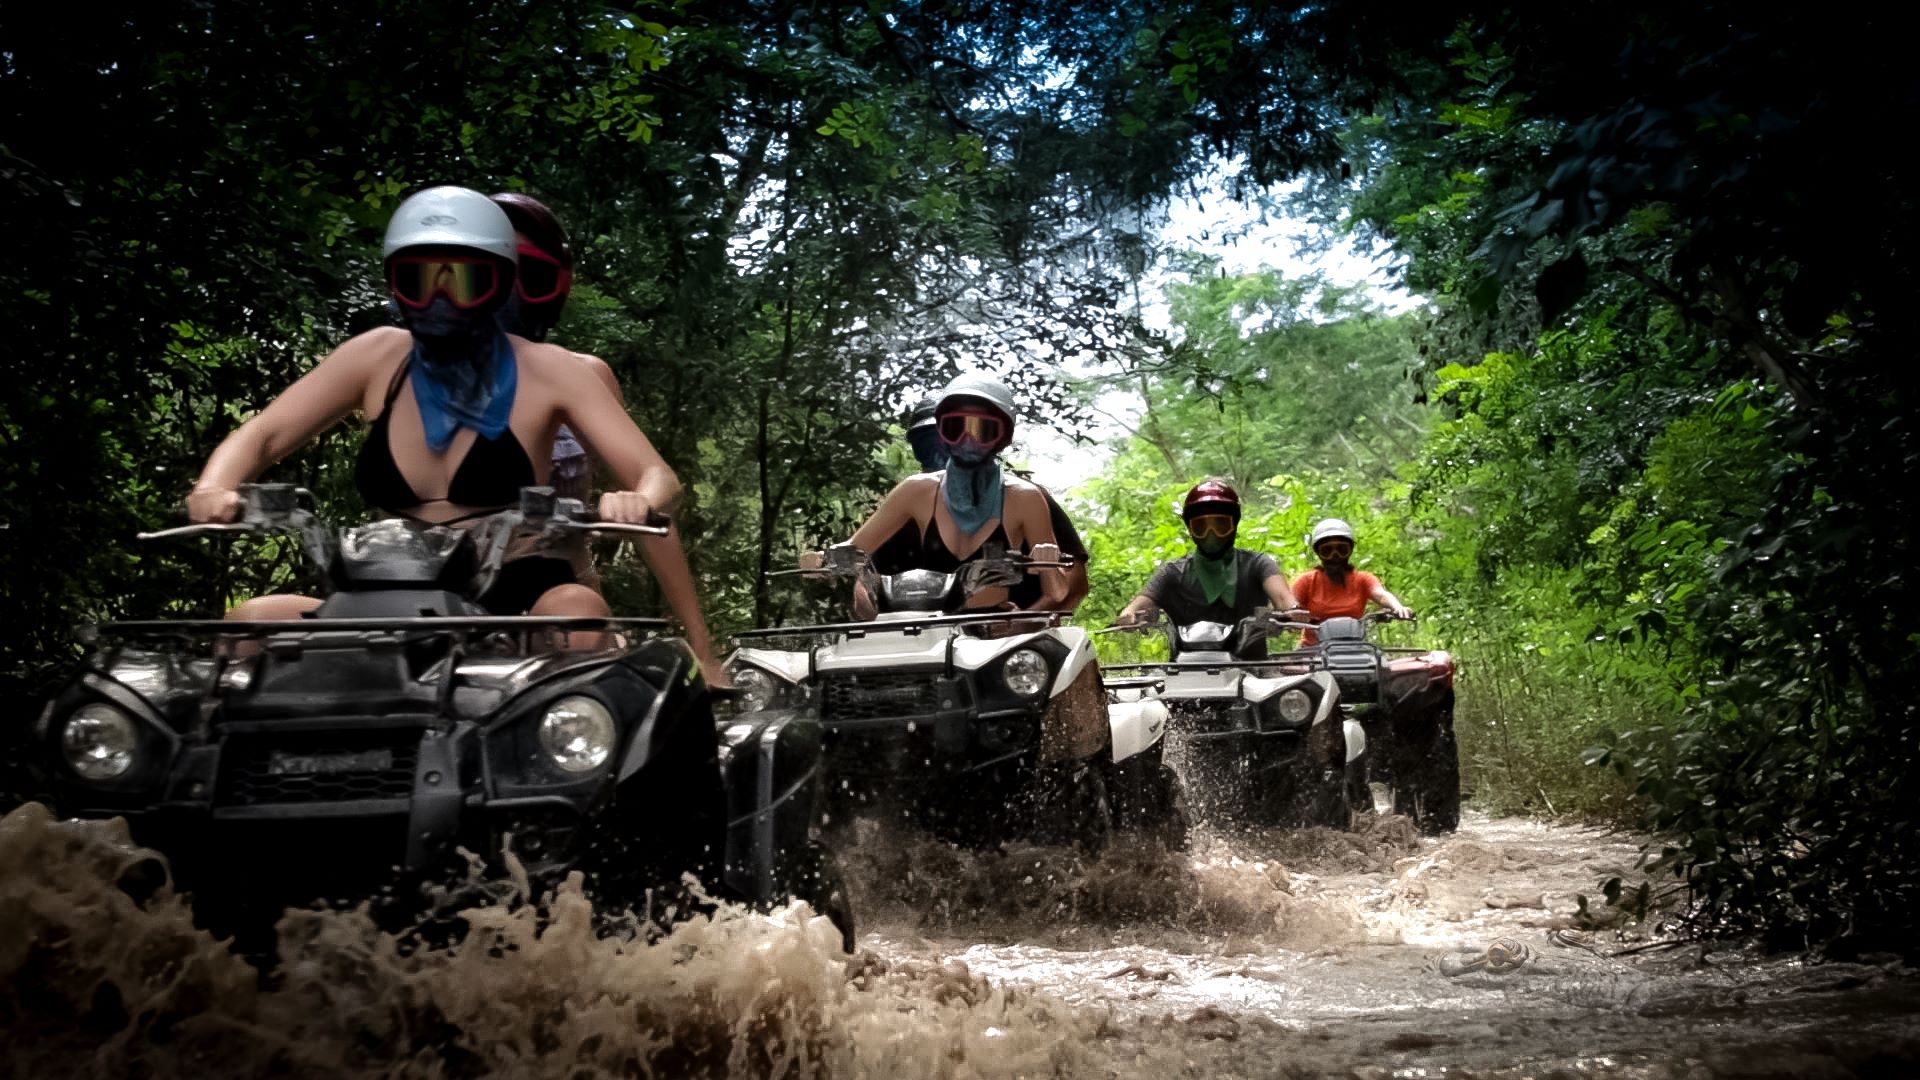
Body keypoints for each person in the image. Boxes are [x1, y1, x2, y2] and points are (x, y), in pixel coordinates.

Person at [186, 185, 725, 676]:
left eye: (462, 280)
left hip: (512, 582)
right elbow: (265, 433)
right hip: (388, 580)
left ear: (499, 284)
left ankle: (577, 768)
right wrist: (214, 485)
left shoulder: (553, 367)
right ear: (395, 283)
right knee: (249, 623)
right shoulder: (374, 356)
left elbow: (655, 472)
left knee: (578, 616)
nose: (440, 298)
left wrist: (636, 500)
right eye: (419, 280)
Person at [807, 373, 1065, 613]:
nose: (968, 439)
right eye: (956, 428)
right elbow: (855, 550)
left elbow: (1058, 591)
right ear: (942, 432)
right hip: (924, 632)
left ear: (1003, 437)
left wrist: (1048, 564)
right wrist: (821, 561)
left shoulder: (1024, 498)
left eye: (982, 430)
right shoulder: (915, 491)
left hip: (992, 635)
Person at [877, 394, 1090, 614]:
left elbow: (1074, 582)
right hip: (924, 640)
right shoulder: (903, 508)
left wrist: (1024, 623)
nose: (939, 454)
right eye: (926, 444)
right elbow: (868, 584)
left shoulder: (1021, 497)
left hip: (1018, 642)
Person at [1113, 480, 1303, 656]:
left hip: (1254, 673)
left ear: (1234, 525)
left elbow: (1282, 597)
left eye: (1220, 525)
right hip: (1185, 674)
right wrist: (1128, 615)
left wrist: (1292, 610)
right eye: (1201, 526)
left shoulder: (1256, 564)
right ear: (1190, 529)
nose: (1210, 534)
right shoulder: (1173, 572)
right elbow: (1139, 604)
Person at [1291, 517, 1413, 646]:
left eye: (1341, 549)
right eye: (1327, 551)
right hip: (1312, 650)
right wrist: (1292, 615)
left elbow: (1381, 595)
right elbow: (1289, 604)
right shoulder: (1307, 581)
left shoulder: (1362, 579)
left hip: (1355, 646)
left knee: (1377, 663)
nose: (1335, 555)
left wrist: (1398, 607)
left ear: (1350, 551)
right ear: (1318, 553)